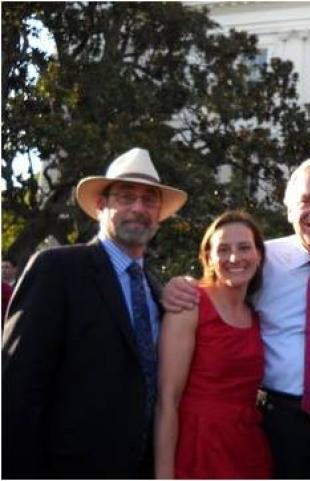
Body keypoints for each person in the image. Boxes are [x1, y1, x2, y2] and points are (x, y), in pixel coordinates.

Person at [162, 158, 310, 478]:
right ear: (288, 210)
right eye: (305, 201)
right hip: (274, 420)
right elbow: (217, 286)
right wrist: (179, 285)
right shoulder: (259, 260)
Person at [2, 148, 187, 478]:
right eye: (126, 197)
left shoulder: (157, 292)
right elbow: (16, 387)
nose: (138, 209)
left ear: (159, 214)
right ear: (101, 206)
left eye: (149, 200)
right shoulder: (57, 270)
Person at [154, 211, 271, 479]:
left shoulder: (254, 313)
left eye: (244, 247)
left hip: (247, 448)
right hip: (199, 449)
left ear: (258, 255)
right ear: (208, 257)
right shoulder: (189, 305)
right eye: (223, 249)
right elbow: (167, 401)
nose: (234, 258)